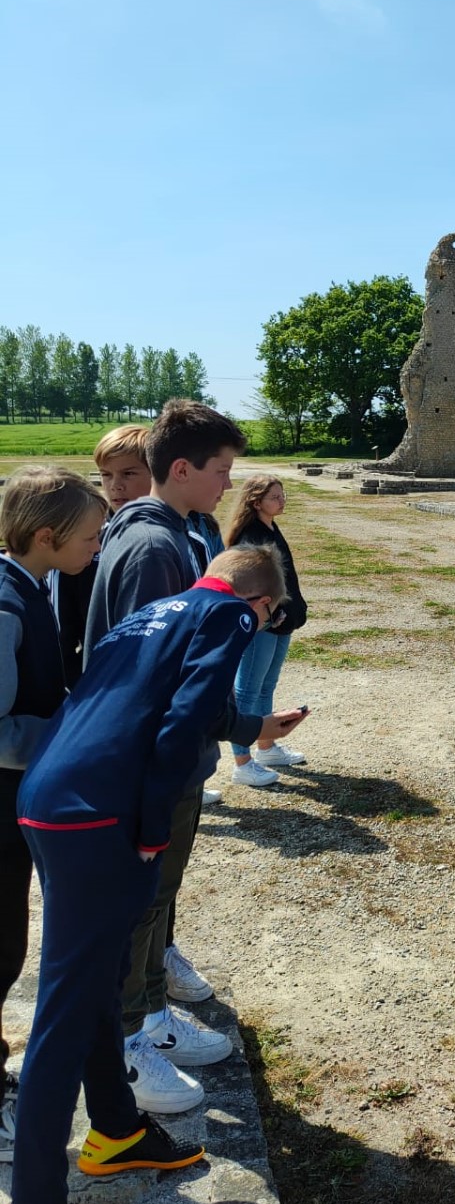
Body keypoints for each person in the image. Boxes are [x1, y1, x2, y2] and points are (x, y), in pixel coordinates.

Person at [1, 547, 309, 1204]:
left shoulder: (154, 613)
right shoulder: (230, 613)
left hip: (53, 794)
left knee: (99, 979)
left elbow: (154, 700)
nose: (260, 625)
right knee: (63, 1014)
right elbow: (181, 722)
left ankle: (114, 1129)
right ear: (261, 602)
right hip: (99, 813)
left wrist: (253, 726)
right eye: (269, 616)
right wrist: (148, 830)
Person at [83, 399, 262, 1116]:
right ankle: (131, 1041)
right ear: (182, 469)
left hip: (171, 754)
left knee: (158, 898)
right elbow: (151, 672)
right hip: (152, 759)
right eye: (220, 470)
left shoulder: (176, 533)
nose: (228, 484)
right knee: (140, 902)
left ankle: (151, 1013)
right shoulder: (155, 548)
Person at [0, 467, 106, 1167]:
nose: (98, 547)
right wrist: (73, 734)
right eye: (91, 537)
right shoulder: (6, 605)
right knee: (1, 948)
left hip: (14, 804)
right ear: (47, 536)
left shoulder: (31, 588)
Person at [51, 425, 152, 688]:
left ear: (157, 473)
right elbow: (61, 637)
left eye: (128, 473)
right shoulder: (81, 541)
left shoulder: (188, 536)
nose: (115, 485)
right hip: (100, 687)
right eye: (106, 475)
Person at [225, 476, 309, 787]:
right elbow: (246, 584)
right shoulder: (250, 535)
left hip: (282, 621)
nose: (281, 500)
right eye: (275, 496)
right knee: (248, 690)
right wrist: (270, 614)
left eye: (282, 495)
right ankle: (242, 763)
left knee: (266, 686)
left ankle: (266, 747)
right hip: (263, 624)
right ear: (256, 501)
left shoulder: (270, 527)